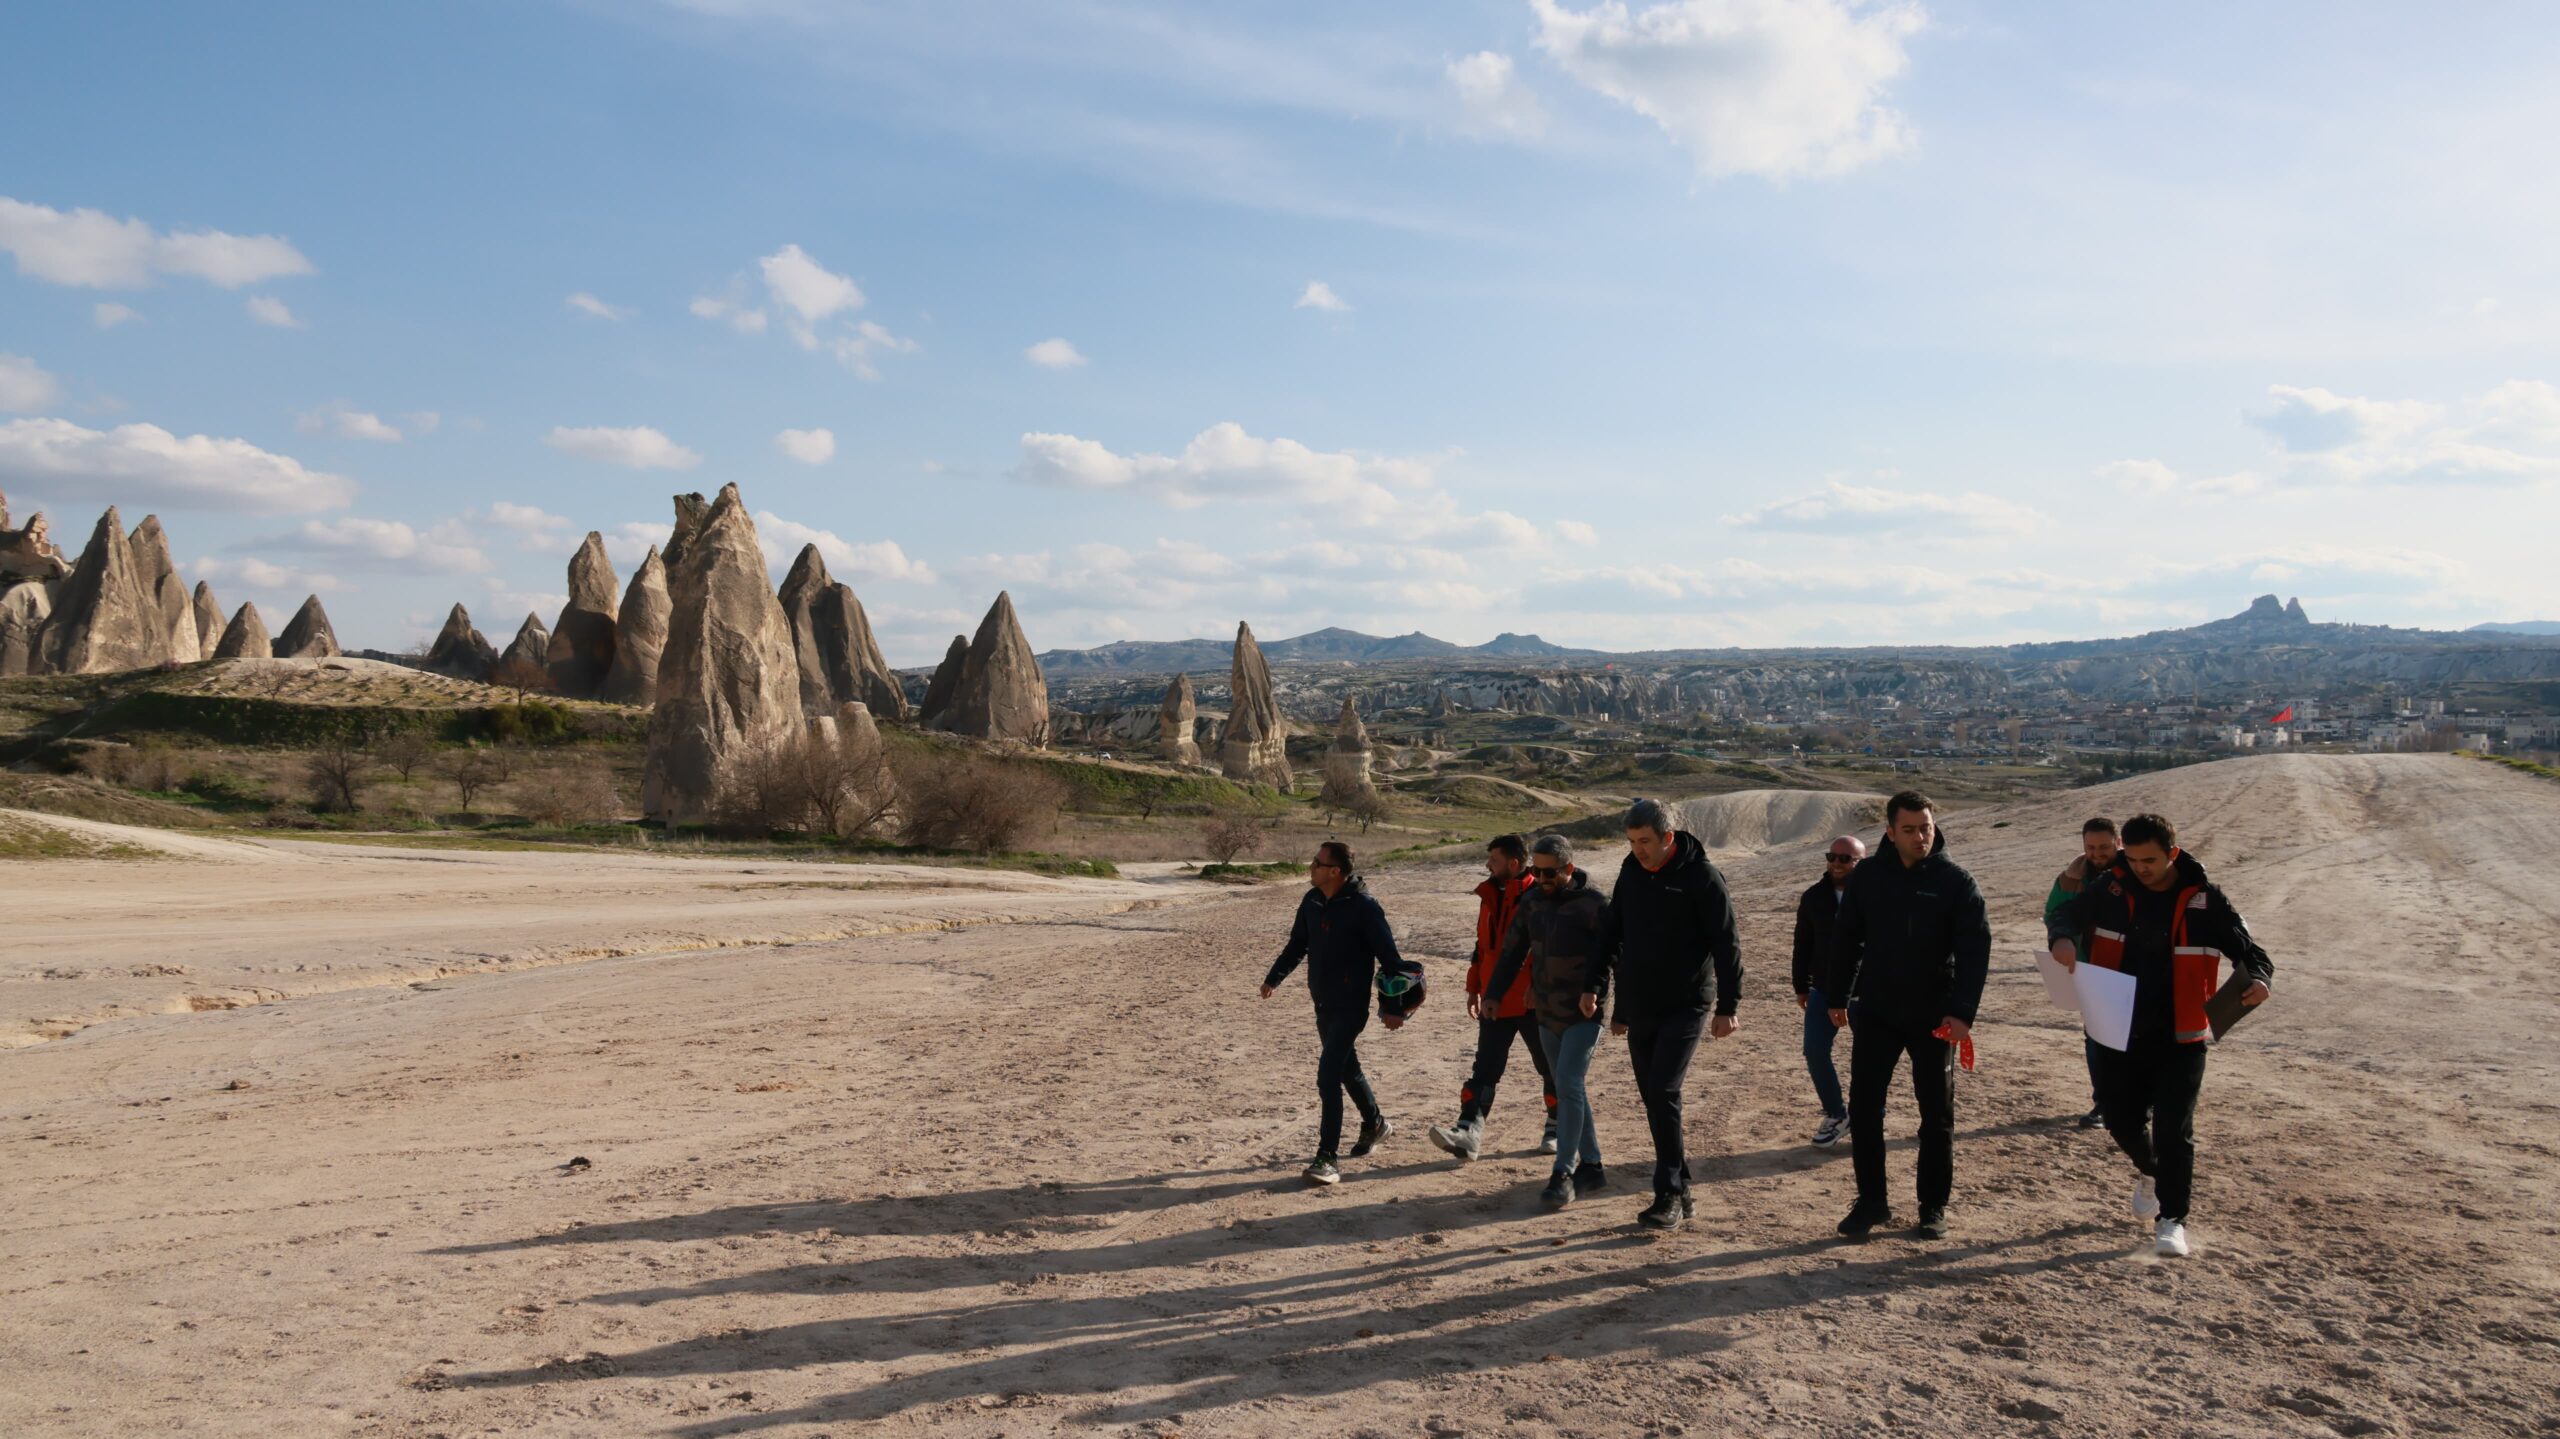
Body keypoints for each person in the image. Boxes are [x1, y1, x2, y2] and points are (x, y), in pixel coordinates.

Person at [2046, 812, 2271, 1258]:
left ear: (2172, 853)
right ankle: (2151, 1170)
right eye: (2132, 859)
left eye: (2149, 860)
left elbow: (2254, 954)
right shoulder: (2110, 887)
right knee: (2120, 1120)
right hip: (2117, 1027)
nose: (2140, 868)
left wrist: (2260, 980)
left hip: (2181, 1036)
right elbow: (2066, 914)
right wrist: (2062, 939)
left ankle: (2172, 1220)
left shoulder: (2206, 900)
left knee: (2174, 1130)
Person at [1825, 791, 1992, 1242]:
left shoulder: (1956, 881)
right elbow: (1847, 939)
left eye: (1927, 827)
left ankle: (1932, 1206)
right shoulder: (1869, 878)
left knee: (1936, 1114)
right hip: (1877, 1009)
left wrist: (1962, 1013)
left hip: (1933, 1015)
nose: (1921, 836)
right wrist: (1837, 995)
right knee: (1863, 1109)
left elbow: (1975, 951)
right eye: (1910, 829)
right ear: (1889, 832)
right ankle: (1872, 1202)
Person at [1606, 798, 1742, 1231]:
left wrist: (1729, 1007)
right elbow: (1614, 936)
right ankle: (1681, 1186)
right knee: (1654, 1098)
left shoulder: (1702, 878)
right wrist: (1611, 1000)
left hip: (1687, 1004)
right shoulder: (1631, 873)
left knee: (1663, 1090)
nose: (1637, 850)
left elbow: (1727, 945)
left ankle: (1666, 1194)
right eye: (1631, 841)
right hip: (1641, 1003)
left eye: (1644, 841)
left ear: (1668, 838)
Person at [1261, 841, 1415, 1186]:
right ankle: (1375, 1124)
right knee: (1348, 1068)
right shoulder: (1312, 900)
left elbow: (1391, 960)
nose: (1310, 867)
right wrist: (1275, 977)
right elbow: (1297, 944)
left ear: (1334, 871)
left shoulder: (1364, 907)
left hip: (1350, 1005)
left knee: (1328, 1075)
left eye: (1317, 863)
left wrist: (1393, 1008)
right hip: (1322, 1001)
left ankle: (1327, 1157)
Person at [1481, 833, 1616, 1209]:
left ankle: (1564, 1173)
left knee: (1569, 1084)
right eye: (1535, 872)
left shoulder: (1593, 905)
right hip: (1545, 1013)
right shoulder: (1532, 903)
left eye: (1548, 873)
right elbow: (1512, 952)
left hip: (1583, 1012)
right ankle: (1593, 1165)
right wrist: (1493, 994)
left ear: (1568, 869)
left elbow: (1612, 955)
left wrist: (1604, 997)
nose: (1540, 880)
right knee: (1569, 1087)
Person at [1429, 834, 1557, 1161]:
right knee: (1484, 1070)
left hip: (1532, 1000)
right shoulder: (1488, 894)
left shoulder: (1540, 894)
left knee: (1550, 1066)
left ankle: (1558, 1125)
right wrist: (1474, 987)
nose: (1488, 865)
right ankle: (1467, 1132)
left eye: (1495, 860)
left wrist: (1539, 988)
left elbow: (1548, 949)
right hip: (1494, 1000)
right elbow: (1481, 946)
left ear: (1514, 863)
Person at [2046, 817, 2124, 1129]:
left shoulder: (2130, 874)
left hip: (2127, 966)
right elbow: (2053, 914)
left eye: (2104, 846)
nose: (2097, 853)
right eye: (2091, 847)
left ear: (2118, 843)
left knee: (2133, 1041)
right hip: (2089, 969)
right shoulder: (2072, 878)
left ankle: (2137, 1104)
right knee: (2095, 1040)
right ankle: (2103, 1104)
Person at [1791, 835, 1866, 1148]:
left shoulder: (1875, 896)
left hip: (1867, 993)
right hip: (1823, 988)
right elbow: (1803, 943)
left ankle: (1867, 1118)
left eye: (1845, 859)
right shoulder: (1814, 897)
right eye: (1832, 857)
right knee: (1815, 1052)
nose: (1836, 863)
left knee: (1868, 1060)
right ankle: (1837, 1114)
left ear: (1860, 863)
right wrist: (1801, 986)